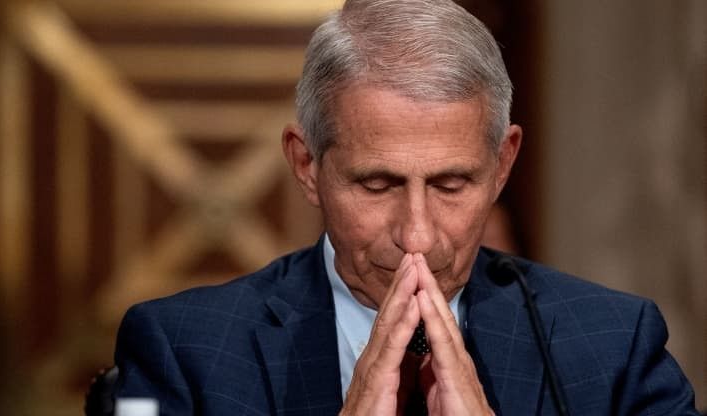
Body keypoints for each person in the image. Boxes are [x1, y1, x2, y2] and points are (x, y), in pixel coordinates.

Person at [113, 0, 699, 414]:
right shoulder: (182, 353)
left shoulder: (613, 347)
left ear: (502, 166)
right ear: (307, 166)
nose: (417, 236)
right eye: (377, 184)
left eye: (451, 184)